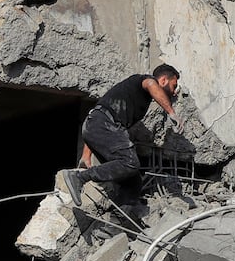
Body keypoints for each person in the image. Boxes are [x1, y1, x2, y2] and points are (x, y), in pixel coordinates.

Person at [60, 64, 183, 206]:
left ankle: (116, 223)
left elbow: (95, 124)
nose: (174, 92)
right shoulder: (143, 80)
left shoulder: (133, 98)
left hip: (96, 126)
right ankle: (80, 178)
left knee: (133, 181)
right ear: (163, 81)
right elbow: (150, 83)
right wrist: (171, 112)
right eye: (174, 86)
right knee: (130, 162)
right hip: (101, 124)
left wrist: (86, 156)